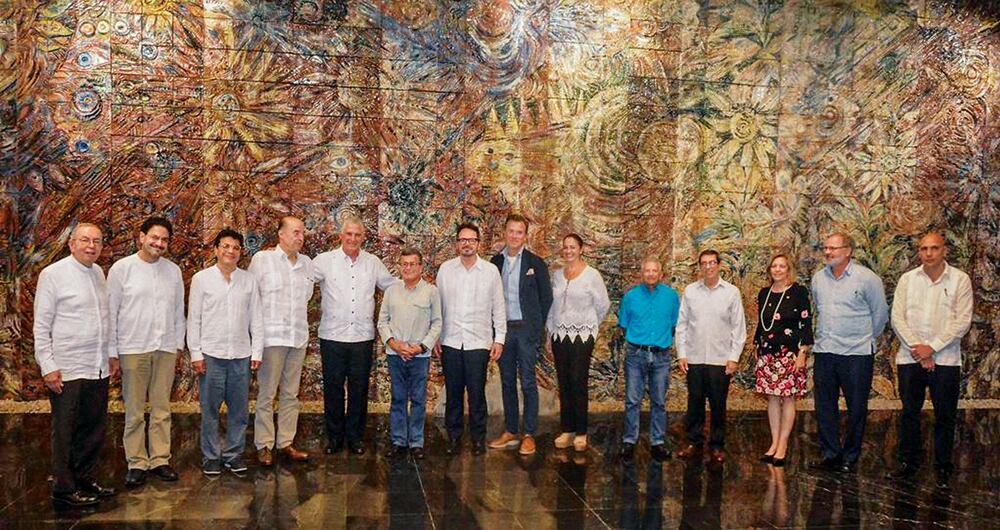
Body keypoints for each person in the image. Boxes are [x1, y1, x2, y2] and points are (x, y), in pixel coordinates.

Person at [33, 223, 118, 506]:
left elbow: (104, 318)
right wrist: (47, 365)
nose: (91, 246)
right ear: (71, 244)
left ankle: (84, 478)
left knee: (92, 429)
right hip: (66, 368)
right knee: (65, 430)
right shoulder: (53, 275)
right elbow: (41, 325)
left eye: (97, 241)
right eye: (85, 240)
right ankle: (64, 488)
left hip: (97, 366)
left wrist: (110, 354)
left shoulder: (98, 273)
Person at [888, 232, 972, 488]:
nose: (928, 253)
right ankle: (908, 462)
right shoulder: (908, 279)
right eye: (924, 248)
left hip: (945, 359)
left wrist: (932, 348)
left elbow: (962, 321)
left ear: (944, 250)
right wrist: (918, 349)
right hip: (910, 357)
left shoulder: (960, 279)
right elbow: (897, 318)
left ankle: (943, 465)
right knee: (909, 413)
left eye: (934, 248)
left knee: (945, 415)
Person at [107, 216, 185, 488]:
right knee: (135, 411)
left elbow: (178, 311)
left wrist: (177, 345)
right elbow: (111, 312)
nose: (159, 243)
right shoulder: (122, 269)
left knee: (162, 408)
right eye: (154, 237)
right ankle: (137, 462)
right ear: (141, 237)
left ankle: (160, 459)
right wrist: (112, 350)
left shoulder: (173, 271)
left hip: (165, 347)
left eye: (164, 240)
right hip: (133, 348)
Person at [313, 217, 398, 455]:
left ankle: (355, 438)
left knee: (359, 389)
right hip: (332, 337)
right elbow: (301, 276)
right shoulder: (324, 261)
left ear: (363, 237)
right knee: (333, 389)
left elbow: (391, 285)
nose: (352, 239)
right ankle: (334, 438)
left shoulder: (372, 262)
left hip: (362, 337)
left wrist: (417, 284)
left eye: (357, 235)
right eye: (349, 234)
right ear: (341, 236)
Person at [809, 232, 889, 473]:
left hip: (856, 354)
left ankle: (851, 456)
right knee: (824, 406)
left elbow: (880, 315)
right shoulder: (818, 279)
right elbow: (817, 309)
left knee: (856, 407)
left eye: (833, 248)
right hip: (825, 351)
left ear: (848, 251)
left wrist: (864, 338)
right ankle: (830, 454)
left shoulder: (867, 279)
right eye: (825, 248)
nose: (828, 252)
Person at [188, 229, 263, 477]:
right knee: (210, 410)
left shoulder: (248, 280)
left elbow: (256, 318)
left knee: (239, 411)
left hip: (241, 355)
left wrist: (257, 351)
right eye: (225, 246)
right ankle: (211, 457)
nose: (230, 251)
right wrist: (196, 353)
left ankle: (233, 455)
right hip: (211, 355)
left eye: (235, 248)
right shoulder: (202, 279)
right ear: (216, 249)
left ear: (241, 252)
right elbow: (194, 319)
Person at [434, 222, 506, 456]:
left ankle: (478, 438)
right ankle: (454, 437)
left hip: (478, 343)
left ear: (478, 244)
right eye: (462, 240)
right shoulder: (445, 270)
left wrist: (499, 338)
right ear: (457, 244)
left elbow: (499, 307)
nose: (467, 244)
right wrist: (435, 336)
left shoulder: (490, 272)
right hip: (451, 341)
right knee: (453, 393)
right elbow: (437, 306)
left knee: (476, 394)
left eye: (471, 240)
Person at [249, 216, 314, 466]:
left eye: (302, 233)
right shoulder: (262, 260)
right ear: (281, 234)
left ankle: (285, 442)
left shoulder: (307, 264)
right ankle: (264, 445)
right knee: (267, 394)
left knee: (290, 394)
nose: (300, 237)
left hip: (297, 338)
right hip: (272, 338)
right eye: (296, 232)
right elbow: (251, 300)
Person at [488, 213, 553, 456]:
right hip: (503, 331)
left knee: (527, 381)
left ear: (525, 236)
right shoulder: (495, 262)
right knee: (507, 381)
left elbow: (546, 299)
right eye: (511, 231)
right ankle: (511, 430)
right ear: (505, 233)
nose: (514, 236)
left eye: (519, 232)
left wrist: (537, 329)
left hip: (526, 330)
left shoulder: (536, 263)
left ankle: (529, 434)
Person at [675, 250, 747, 463]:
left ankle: (717, 445)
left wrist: (733, 357)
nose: (708, 267)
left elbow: (738, 328)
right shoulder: (690, 291)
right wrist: (682, 354)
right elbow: (682, 325)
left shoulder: (731, 293)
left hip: (720, 359)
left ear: (719, 265)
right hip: (694, 358)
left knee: (718, 404)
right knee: (695, 402)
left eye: (712, 262)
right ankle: (693, 441)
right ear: (699, 266)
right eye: (704, 263)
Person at [546, 233, 610, 452]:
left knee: (578, 381)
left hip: (582, 336)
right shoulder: (557, 275)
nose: (568, 251)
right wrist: (550, 331)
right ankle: (567, 429)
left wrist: (589, 326)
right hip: (559, 334)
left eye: (572, 247)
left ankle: (581, 432)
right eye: (565, 247)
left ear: (581, 249)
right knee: (564, 381)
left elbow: (603, 305)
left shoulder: (592, 275)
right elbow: (552, 305)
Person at [377, 248, 442, 460]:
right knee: (397, 398)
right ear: (399, 267)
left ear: (420, 267)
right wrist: (394, 345)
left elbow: (437, 323)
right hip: (395, 355)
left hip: (419, 356)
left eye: (412, 264)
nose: (408, 268)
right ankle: (398, 441)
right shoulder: (391, 291)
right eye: (404, 264)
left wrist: (421, 347)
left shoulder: (431, 292)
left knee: (418, 399)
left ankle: (416, 442)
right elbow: (382, 322)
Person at [617, 257, 680, 461]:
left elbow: (674, 324)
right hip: (636, 355)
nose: (651, 274)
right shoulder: (631, 297)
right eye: (647, 270)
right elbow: (624, 324)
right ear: (642, 273)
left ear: (661, 274)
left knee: (659, 401)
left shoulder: (671, 296)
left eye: (654, 271)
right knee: (632, 400)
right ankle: (629, 441)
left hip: (661, 356)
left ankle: (657, 442)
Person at [753, 254, 813, 467]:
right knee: (771, 398)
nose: (777, 270)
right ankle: (773, 443)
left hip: (790, 354)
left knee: (787, 398)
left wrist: (802, 352)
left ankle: (783, 444)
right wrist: (757, 346)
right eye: (774, 266)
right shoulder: (764, 293)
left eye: (782, 266)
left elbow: (806, 323)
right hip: (767, 354)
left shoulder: (798, 292)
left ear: (789, 269)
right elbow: (762, 324)